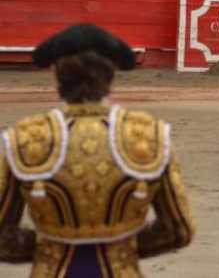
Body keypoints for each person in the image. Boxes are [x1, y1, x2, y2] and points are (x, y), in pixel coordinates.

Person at [0, 24, 194, 276]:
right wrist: (123, 247)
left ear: (56, 74)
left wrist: (48, 247)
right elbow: (178, 230)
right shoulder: (147, 134)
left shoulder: (27, 137)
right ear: (111, 74)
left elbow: (2, 236)